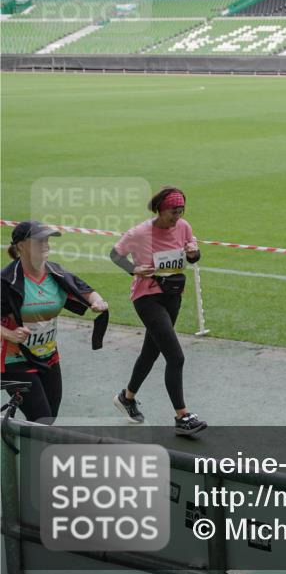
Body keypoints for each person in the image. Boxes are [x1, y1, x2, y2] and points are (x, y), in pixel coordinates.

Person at [110, 187, 207, 437]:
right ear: (160, 209)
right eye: (173, 212)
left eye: (180, 211)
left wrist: (194, 252)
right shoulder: (140, 232)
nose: (177, 217)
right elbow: (115, 254)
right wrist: (134, 270)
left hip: (173, 294)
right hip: (147, 297)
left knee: (150, 352)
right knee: (175, 357)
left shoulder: (183, 226)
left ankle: (126, 397)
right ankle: (182, 416)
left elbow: (192, 257)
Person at [1, 221, 109, 423]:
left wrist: (98, 302)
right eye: (39, 240)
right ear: (21, 246)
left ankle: (25, 448)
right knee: (42, 420)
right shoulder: (6, 281)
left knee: (49, 418)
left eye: (47, 240)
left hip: (49, 357)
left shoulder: (56, 274)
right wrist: (10, 334)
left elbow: (85, 290)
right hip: (13, 362)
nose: (46, 244)